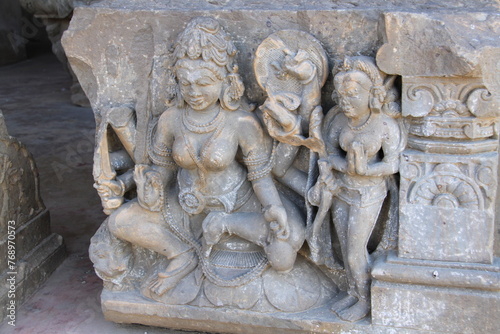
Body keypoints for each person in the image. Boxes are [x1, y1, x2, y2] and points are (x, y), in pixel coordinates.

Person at [106, 17, 305, 297]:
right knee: (121, 222)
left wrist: (273, 208)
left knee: (285, 252)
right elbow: (163, 170)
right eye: (185, 84)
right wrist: (152, 187)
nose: (194, 92)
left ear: (225, 81)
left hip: (238, 205)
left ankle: (226, 227)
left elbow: (259, 176)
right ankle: (181, 255)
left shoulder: (241, 123)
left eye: (204, 83)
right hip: (186, 205)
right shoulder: (171, 119)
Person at [309, 56, 405, 321]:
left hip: (369, 193)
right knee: (344, 247)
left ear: (372, 95)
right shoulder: (339, 121)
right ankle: (353, 291)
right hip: (342, 190)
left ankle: (365, 300)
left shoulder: (384, 125)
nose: (345, 102)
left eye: (352, 95)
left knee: (355, 252)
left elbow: (394, 164)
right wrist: (341, 168)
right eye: (341, 95)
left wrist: (367, 171)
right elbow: (326, 154)